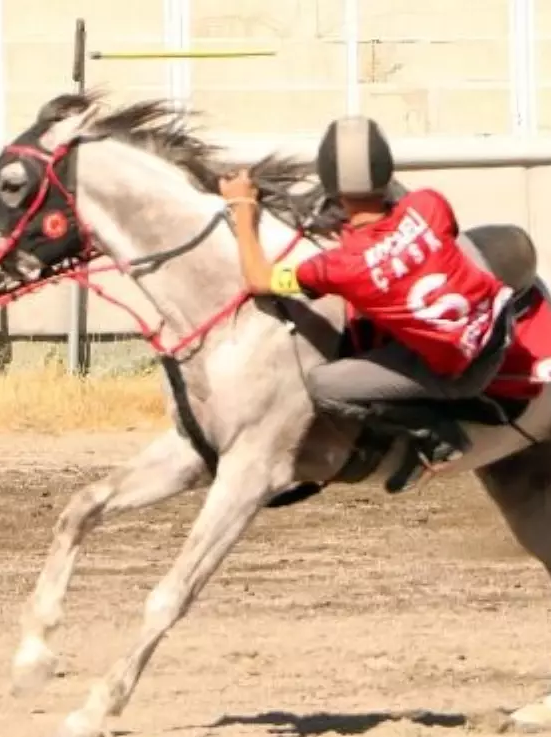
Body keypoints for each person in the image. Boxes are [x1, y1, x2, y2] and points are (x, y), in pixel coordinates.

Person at [218, 115, 515, 493]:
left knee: (322, 384)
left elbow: (259, 280)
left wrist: (242, 207)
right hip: (500, 324)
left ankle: (436, 435)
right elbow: (439, 241)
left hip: (465, 372)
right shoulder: (429, 203)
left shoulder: (340, 267)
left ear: (328, 182)